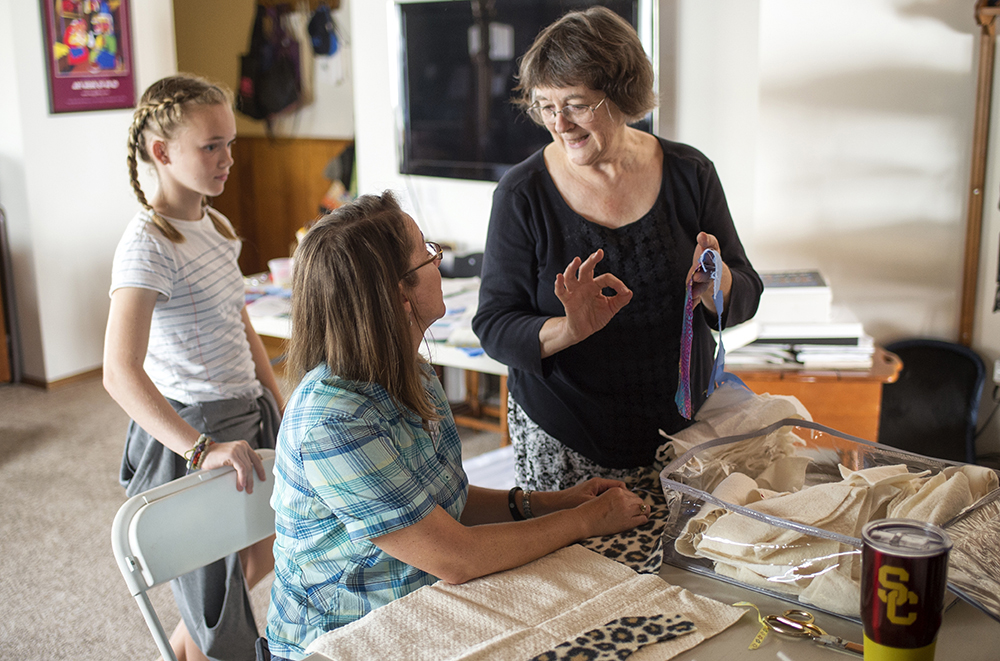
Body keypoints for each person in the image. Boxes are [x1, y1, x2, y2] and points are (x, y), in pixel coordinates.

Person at [265, 191, 648, 661]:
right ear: (399, 295)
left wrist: (551, 503)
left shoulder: (411, 372)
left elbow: (441, 506)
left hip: (420, 613)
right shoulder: (332, 421)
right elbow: (457, 557)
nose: (438, 262)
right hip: (344, 644)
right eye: (427, 253)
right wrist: (584, 520)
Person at [472, 7, 763, 491]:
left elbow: (745, 288)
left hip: (684, 435)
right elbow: (494, 325)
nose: (559, 123)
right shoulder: (522, 195)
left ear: (622, 96)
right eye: (546, 106)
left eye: (576, 104)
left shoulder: (691, 174)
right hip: (566, 437)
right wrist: (570, 328)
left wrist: (719, 286)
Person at [103, 74, 283, 661]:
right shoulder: (147, 244)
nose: (228, 158)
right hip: (195, 429)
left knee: (269, 547)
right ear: (162, 152)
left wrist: (275, 394)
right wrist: (200, 448)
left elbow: (239, 320)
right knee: (218, 611)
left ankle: (181, 651)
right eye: (212, 146)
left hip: (245, 411)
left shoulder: (214, 224)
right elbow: (119, 372)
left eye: (230, 142)